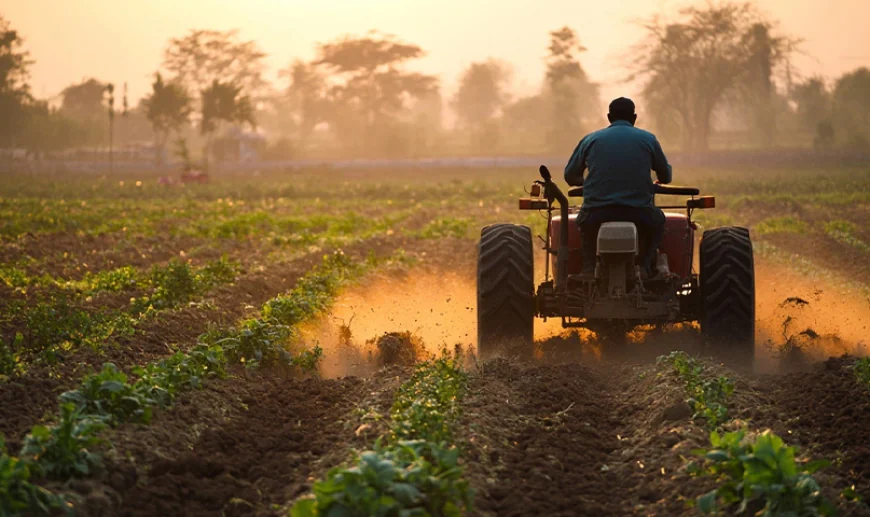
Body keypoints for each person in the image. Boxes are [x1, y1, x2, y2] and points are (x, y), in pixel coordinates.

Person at [564, 97, 672, 278]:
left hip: (596, 213)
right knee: (658, 222)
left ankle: (589, 269)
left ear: (609, 117)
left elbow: (570, 176)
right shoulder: (648, 139)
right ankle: (645, 266)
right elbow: (666, 176)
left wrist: (591, 182)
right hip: (639, 212)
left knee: (586, 226)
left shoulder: (590, 139)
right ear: (634, 117)